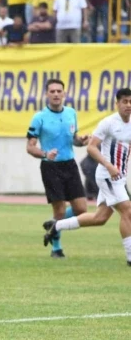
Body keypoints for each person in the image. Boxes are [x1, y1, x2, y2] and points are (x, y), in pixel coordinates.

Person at [43, 88, 131, 267]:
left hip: (119, 177)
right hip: (107, 175)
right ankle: (130, 257)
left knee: (100, 218)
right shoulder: (108, 122)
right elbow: (91, 147)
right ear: (117, 103)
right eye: (124, 101)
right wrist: (109, 166)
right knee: (127, 211)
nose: (128, 105)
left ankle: (56, 226)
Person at [26, 78, 89, 258]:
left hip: (70, 165)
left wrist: (81, 141)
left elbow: (73, 139)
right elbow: (30, 147)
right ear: (46, 94)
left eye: (58, 91)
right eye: (52, 91)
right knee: (60, 211)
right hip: (50, 167)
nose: (55, 94)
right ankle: (56, 248)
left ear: (64, 94)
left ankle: (52, 224)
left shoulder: (71, 113)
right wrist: (45, 154)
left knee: (81, 210)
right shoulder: (39, 118)